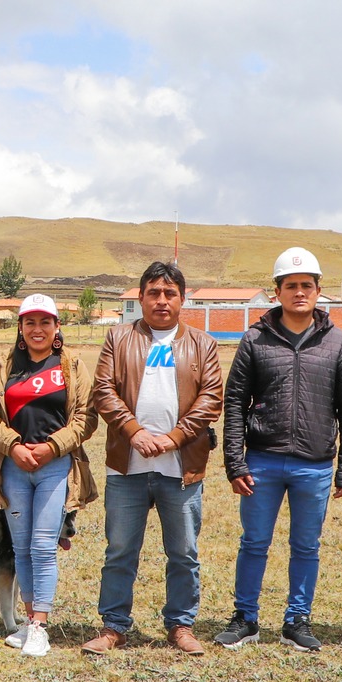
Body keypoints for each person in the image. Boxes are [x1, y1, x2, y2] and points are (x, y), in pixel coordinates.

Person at [215, 247, 342, 652]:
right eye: (291, 286)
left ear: (318, 291)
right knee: (254, 542)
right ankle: (246, 617)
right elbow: (234, 404)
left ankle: (297, 619)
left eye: (307, 286)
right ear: (276, 291)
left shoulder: (337, 343)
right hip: (262, 461)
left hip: (314, 466)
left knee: (306, 546)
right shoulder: (255, 340)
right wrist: (235, 462)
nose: (299, 292)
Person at [83, 261, 223, 656]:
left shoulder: (203, 344)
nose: (162, 300)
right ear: (141, 297)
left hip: (181, 468)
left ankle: (180, 625)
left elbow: (211, 397)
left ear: (182, 298)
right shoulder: (118, 337)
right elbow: (104, 391)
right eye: (153, 293)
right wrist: (135, 432)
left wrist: (174, 438)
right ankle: (114, 627)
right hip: (127, 466)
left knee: (183, 552)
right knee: (120, 551)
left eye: (170, 293)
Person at [0, 293, 98, 657]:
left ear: (57, 326)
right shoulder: (5, 364)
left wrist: (51, 447)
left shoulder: (71, 365)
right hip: (13, 467)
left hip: (55, 466)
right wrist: (13, 445)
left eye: (45, 322)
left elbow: (86, 418)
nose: (38, 329)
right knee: (22, 548)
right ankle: (28, 622)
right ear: (21, 327)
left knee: (43, 547)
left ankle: (40, 626)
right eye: (30, 322)